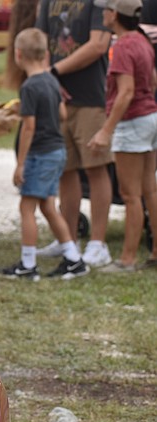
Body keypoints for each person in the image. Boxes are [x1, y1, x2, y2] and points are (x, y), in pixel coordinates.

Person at [0, 28, 89, 281]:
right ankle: (73, 259)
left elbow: (29, 128)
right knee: (48, 206)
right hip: (58, 151)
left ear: (18, 55)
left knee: (27, 208)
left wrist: (21, 164)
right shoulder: (51, 80)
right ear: (46, 53)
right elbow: (62, 114)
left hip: (40, 153)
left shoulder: (29, 86)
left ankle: (28, 265)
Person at [37, 0, 115, 267]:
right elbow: (43, 40)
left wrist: (54, 72)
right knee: (65, 169)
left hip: (91, 96)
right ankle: (67, 240)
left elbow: (98, 45)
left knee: (96, 167)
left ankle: (98, 243)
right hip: (57, 97)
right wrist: (51, 81)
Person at [88, 0, 157, 271]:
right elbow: (152, 81)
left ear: (114, 14)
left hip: (133, 122)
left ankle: (127, 258)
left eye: (105, 9)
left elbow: (126, 91)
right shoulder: (142, 41)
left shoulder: (123, 46)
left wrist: (106, 131)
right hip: (150, 116)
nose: (102, 12)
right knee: (150, 189)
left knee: (130, 195)